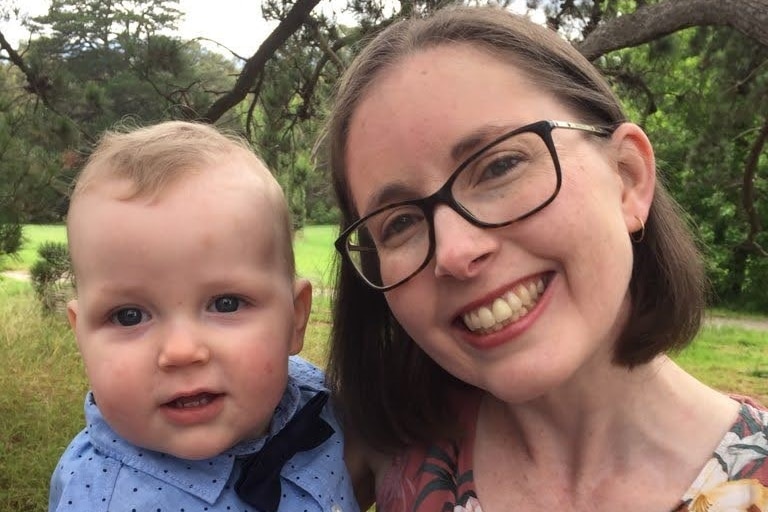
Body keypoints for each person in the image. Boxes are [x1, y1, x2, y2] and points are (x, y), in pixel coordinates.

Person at [322, 6, 768, 512]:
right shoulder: (371, 453)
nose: (455, 251)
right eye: (398, 223)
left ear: (627, 176)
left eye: (500, 166)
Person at [50, 121, 357, 512]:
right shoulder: (98, 497)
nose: (181, 351)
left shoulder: (320, 402)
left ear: (295, 318)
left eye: (226, 304)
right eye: (128, 316)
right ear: (82, 339)